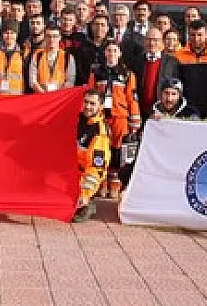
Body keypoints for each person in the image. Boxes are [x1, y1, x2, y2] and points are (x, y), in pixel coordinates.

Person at [88, 40, 140, 194]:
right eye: (109, 50)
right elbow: (90, 93)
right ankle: (101, 181)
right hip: (101, 117)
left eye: (115, 50)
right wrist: (89, 113)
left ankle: (115, 182)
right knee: (101, 148)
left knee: (118, 150)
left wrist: (135, 119)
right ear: (104, 53)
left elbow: (132, 97)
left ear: (120, 53)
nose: (111, 53)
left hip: (120, 117)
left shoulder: (127, 74)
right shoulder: (96, 72)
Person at [175, 20, 207, 120]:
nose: (196, 38)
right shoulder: (179, 55)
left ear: (206, 34)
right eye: (192, 35)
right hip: (187, 108)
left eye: (199, 35)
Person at [73, 89, 110, 223]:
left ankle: (88, 203)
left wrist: (85, 194)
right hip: (70, 171)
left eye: (92, 104)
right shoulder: (77, 119)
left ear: (101, 106)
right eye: (86, 102)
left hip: (85, 175)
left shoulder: (99, 132)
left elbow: (95, 169)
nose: (88, 106)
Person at [132, 28, 180, 122]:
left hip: (163, 114)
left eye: (155, 40)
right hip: (140, 112)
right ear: (144, 41)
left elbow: (177, 89)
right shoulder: (137, 61)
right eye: (149, 39)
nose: (152, 43)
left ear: (162, 42)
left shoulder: (172, 62)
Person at [29, 25, 76, 93]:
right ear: (44, 37)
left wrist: (57, 95)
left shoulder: (68, 57)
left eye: (55, 36)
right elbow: (32, 80)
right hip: (40, 95)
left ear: (60, 37)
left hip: (60, 96)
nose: (51, 39)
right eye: (48, 36)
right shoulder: (37, 55)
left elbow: (70, 81)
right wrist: (43, 94)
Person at [0, 20, 29, 96]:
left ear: (16, 34)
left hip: (16, 96)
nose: (9, 36)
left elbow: (26, 76)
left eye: (12, 33)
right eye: (6, 33)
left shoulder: (23, 52)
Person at [74, 14, 109, 86]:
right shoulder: (82, 47)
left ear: (107, 28)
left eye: (102, 25)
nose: (99, 27)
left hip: (105, 85)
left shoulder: (112, 48)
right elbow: (79, 70)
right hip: (85, 86)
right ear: (92, 26)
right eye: (96, 24)